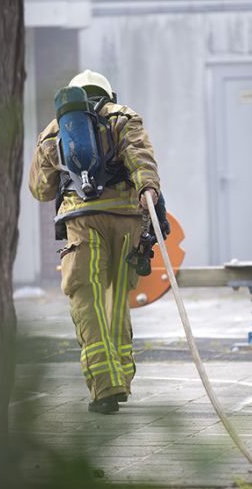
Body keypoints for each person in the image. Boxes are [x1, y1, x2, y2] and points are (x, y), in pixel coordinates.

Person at [28, 70, 161, 414]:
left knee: (88, 301)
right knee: (116, 302)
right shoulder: (121, 115)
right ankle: (119, 380)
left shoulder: (54, 130)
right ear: (106, 92)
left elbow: (40, 190)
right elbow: (140, 156)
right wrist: (147, 187)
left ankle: (105, 387)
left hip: (82, 224)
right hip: (127, 221)